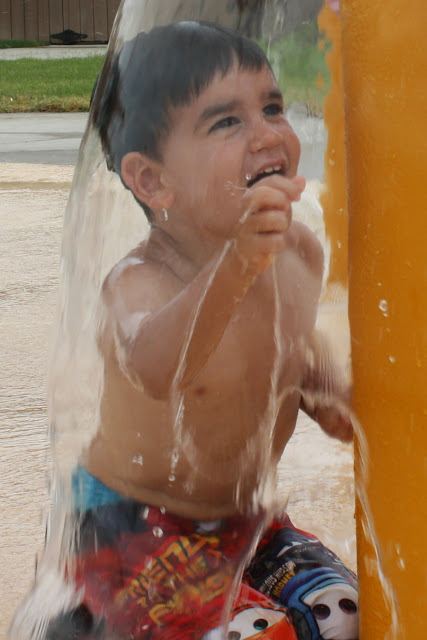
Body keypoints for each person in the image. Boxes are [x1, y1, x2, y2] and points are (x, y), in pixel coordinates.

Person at [46, 21, 357, 640]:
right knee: (256, 634)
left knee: (343, 613)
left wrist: (340, 400)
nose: (267, 134)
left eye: (272, 107)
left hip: (247, 525)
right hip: (131, 533)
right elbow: (158, 366)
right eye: (227, 122)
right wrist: (235, 264)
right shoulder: (138, 282)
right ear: (153, 181)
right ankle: (86, 616)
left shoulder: (298, 253)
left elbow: (297, 355)